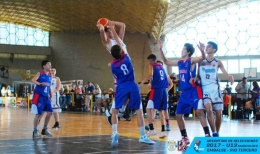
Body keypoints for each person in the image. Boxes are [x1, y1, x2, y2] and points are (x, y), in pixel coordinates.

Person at [107, 21, 154, 147]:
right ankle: (143, 136)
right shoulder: (126, 58)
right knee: (139, 110)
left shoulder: (112, 65)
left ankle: (114, 132)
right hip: (132, 85)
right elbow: (119, 42)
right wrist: (112, 28)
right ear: (122, 52)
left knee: (114, 111)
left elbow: (114, 57)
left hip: (121, 87)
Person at [159, 40, 211, 147]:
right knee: (178, 115)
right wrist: (160, 49)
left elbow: (201, 58)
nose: (181, 50)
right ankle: (184, 137)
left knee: (200, 112)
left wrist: (202, 51)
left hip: (194, 91)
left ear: (187, 52)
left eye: (183, 49)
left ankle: (207, 135)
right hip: (184, 93)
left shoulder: (191, 61)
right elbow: (166, 61)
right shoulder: (180, 62)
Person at [97, 19, 130, 124]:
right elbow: (102, 33)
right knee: (121, 93)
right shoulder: (107, 42)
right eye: (108, 31)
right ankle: (110, 113)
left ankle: (121, 111)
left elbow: (123, 25)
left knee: (129, 94)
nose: (110, 31)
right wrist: (101, 27)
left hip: (128, 69)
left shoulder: (119, 40)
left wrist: (111, 22)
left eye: (110, 30)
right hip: (119, 70)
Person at [198, 41, 234, 136]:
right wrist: (195, 78)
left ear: (214, 49)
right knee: (209, 110)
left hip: (215, 89)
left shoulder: (218, 61)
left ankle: (216, 133)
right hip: (205, 89)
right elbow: (198, 75)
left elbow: (226, 74)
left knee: (218, 113)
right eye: (206, 46)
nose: (207, 47)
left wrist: (230, 77)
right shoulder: (201, 61)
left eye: (209, 46)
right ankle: (213, 132)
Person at [139, 55, 173, 138]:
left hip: (156, 90)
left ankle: (151, 129)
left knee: (148, 109)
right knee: (161, 111)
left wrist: (142, 82)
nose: (148, 63)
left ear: (151, 60)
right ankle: (163, 130)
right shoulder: (162, 67)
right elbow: (168, 80)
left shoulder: (152, 65)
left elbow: (150, 74)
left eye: (148, 61)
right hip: (164, 90)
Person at [31, 60, 53, 138]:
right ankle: (35, 130)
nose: (50, 66)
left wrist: (51, 95)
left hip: (46, 97)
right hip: (39, 96)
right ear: (44, 66)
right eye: (48, 64)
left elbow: (49, 86)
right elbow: (33, 80)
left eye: (50, 65)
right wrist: (39, 83)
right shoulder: (40, 73)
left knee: (50, 112)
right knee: (38, 114)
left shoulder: (50, 75)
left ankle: (45, 129)